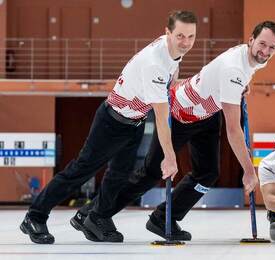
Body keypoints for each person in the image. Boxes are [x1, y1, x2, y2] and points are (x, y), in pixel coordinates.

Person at [72, 21, 275, 242]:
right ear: (251, 40)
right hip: (181, 112)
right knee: (151, 174)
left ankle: (163, 218)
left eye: (272, 48)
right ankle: (95, 214)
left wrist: (240, 86)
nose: (266, 51)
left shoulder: (247, 58)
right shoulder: (235, 69)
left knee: (208, 173)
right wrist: (249, 171)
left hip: (207, 113)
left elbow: (229, 77)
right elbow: (233, 129)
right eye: (262, 44)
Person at [20, 10, 197, 244]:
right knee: (81, 170)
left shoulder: (172, 50)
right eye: (180, 36)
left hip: (134, 121)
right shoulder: (155, 62)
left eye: (191, 37)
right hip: (113, 121)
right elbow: (162, 114)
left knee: (118, 176)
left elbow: (171, 83)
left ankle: (93, 217)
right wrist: (170, 156)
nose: (185, 43)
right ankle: (35, 216)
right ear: (167, 33)